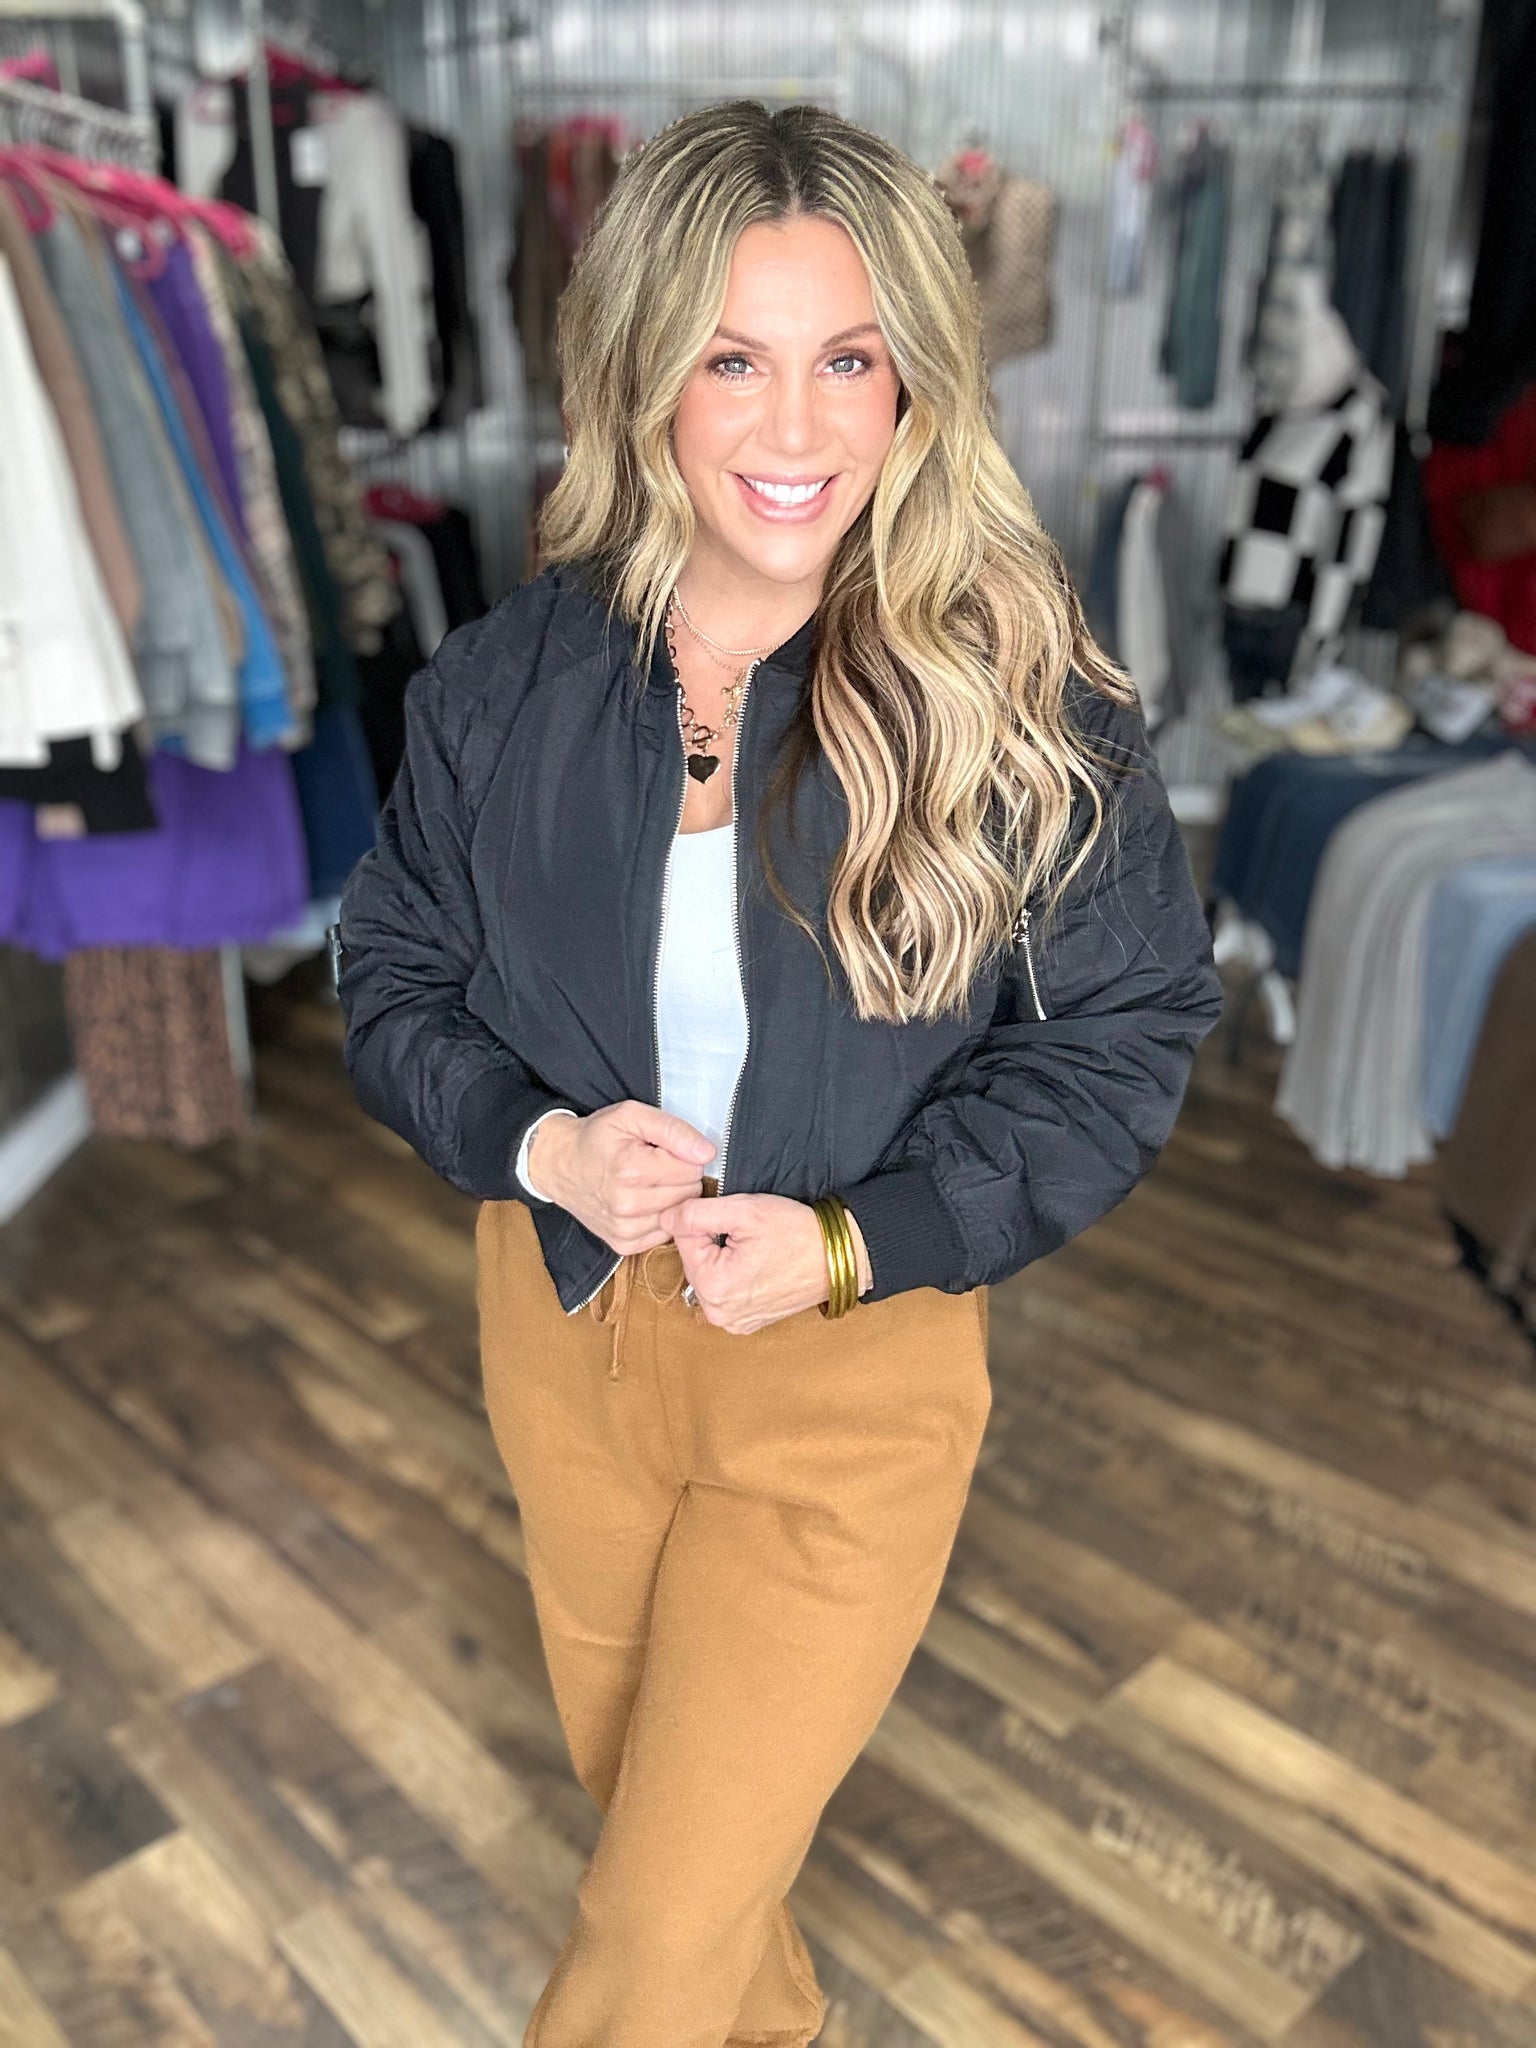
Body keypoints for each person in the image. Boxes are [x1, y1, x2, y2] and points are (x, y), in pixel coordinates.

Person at [336, 98, 1224, 2048]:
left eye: (851, 359)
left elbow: (1129, 1027)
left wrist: (852, 1242)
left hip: (849, 1364)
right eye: (734, 360)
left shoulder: (1024, 696)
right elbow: (388, 972)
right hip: (565, 1334)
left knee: (649, 1925)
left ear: (919, 383)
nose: (798, 427)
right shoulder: (499, 683)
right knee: (676, 1850)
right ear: (643, 373)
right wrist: (538, 1144)